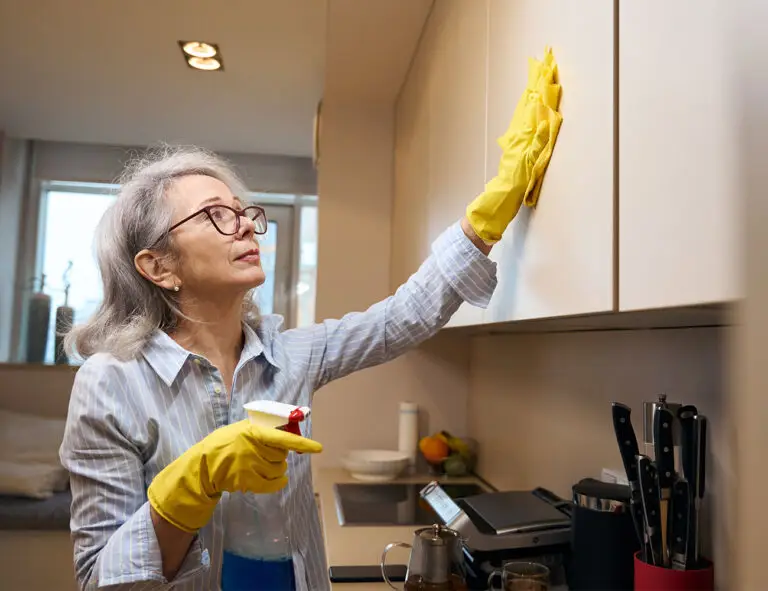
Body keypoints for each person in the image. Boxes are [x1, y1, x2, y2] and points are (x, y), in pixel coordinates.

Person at [58, 82, 559, 591]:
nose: (248, 227)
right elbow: (100, 578)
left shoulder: (288, 356)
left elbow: (402, 317)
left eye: (245, 212)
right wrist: (191, 483)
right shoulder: (110, 383)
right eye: (216, 215)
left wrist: (489, 214)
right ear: (159, 265)